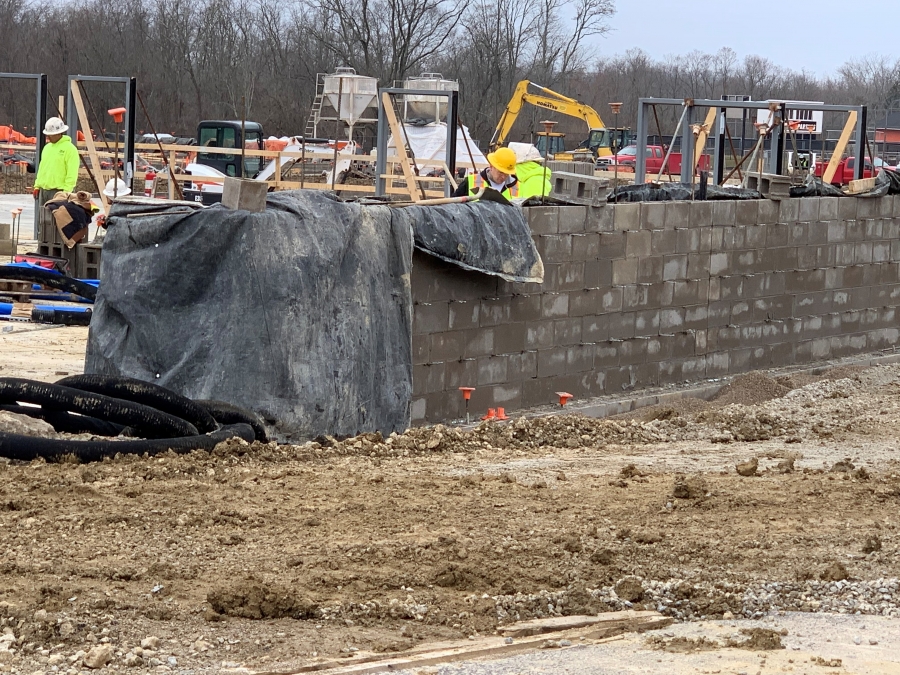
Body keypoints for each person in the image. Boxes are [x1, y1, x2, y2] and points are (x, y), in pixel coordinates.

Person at [32, 117, 80, 195]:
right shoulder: (47, 148)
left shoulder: (70, 149)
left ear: (58, 133)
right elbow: (42, 168)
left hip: (59, 191)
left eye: (51, 135)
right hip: (43, 191)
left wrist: (66, 192)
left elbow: (72, 173)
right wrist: (37, 186)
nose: (48, 137)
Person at [453, 146, 519, 199]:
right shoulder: (470, 182)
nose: (503, 177)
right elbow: (453, 207)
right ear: (491, 166)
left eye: (506, 173)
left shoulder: (517, 187)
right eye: (501, 172)